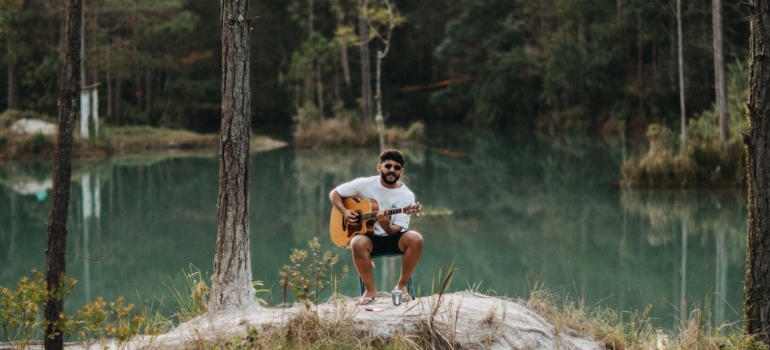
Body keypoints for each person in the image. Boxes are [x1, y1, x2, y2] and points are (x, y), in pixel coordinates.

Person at [329, 149, 423, 305]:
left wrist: (385, 223)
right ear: (379, 167)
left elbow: (394, 231)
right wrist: (345, 212)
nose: (392, 170)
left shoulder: (406, 196)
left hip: (393, 237)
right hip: (369, 238)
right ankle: (370, 290)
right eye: (388, 166)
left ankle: (401, 285)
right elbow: (335, 193)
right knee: (356, 242)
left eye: (397, 167)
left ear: (401, 171)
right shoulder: (365, 184)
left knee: (416, 238)